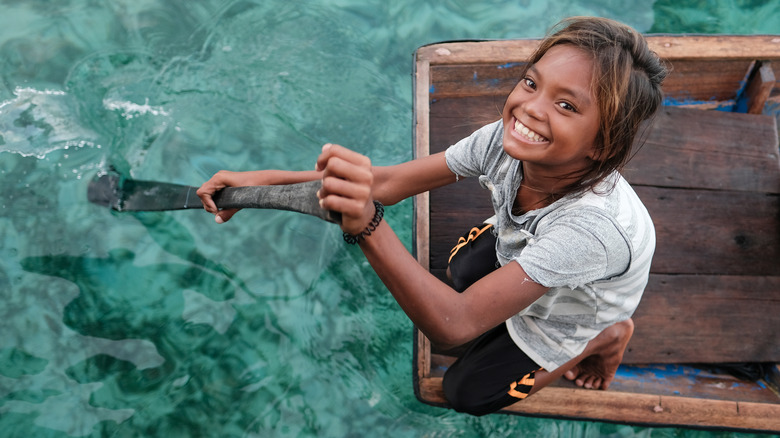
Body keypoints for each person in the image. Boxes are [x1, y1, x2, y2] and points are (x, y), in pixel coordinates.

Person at [197, 16, 667, 416]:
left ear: (602, 144)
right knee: (458, 269)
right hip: (536, 252)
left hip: (571, 313)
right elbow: (386, 185)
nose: (528, 109)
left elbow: (453, 325)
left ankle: (605, 338)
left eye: (566, 105)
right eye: (531, 82)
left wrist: (367, 226)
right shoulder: (503, 142)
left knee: (466, 391)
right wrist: (257, 184)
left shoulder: (591, 232)